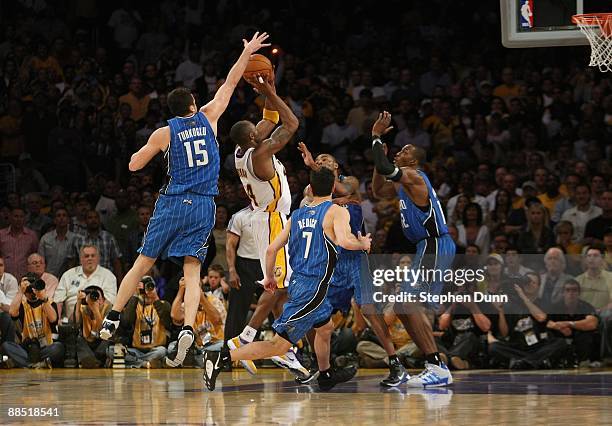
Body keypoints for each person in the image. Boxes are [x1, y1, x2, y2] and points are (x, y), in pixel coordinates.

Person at [100, 32, 271, 371]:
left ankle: (112, 317)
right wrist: (248, 51)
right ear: (193, 105)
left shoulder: (164, 132)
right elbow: (232, 80)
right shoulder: (209, 116)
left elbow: (134, 165)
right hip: (205, 206)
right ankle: (189, 327)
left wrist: (145, 152)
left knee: (143, 263)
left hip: (173, 202)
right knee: (192, 272)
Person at [203, 168, 371, 391]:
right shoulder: (336, 211)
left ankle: (325, 373)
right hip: (313, 288)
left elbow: (272, 249)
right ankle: (221, 358)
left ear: (310, 189)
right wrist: (363, 245)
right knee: (279, 345)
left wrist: (269, 277)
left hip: (299, 282)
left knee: (325, 327)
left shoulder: (297, 215)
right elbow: (344, 241)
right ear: (332, 188)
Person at [298, 143, 407, 386]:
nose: (322, 161)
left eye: (326, 159)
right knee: (313, 314)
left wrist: (315, 167)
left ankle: (395, 363)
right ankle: (319, 364)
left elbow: (346, 193)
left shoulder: (351, 182)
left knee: (369, 310)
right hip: (333, 260)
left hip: (356, 260)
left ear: (336, 166)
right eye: (319, 159)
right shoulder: (312, 188)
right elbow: (312, 203)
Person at [229, 69, 304, 376]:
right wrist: (270, 94)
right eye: (257, 130)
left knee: (282, 291)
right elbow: (291, 124)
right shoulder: (261, 153)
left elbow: (270, 119)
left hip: (264, 218)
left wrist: (268, 88)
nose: (261, 130)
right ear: (252, 137)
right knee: (274, 288)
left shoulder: (240, 149)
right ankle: (243, 340)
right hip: (272, 221)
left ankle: (284, 349)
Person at [371, 111, 454, 387]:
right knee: (404, 306)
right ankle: (434, 364)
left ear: (414, 160)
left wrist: (375, 136)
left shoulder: (414, 175)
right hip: (426, 246)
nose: (399, 151)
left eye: (405, 150)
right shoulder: (403, 181)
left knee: (406, 302)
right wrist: (377, 159)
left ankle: (437, 365)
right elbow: (377, 191)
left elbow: (388, 171)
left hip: (434, 244)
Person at [2, 274, 64, 368]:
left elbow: (53, 319)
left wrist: (43, 298)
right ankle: (38, 363)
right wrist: (20, 291)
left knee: (58, 347)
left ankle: (26, 363)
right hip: (28, 347)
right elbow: (12, 313)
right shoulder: (22, 305)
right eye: (28, 289)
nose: (30, 290)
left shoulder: (49, 302)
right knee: (7, 345)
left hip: (46, 347)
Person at [224, 205, 262, 343]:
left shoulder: (275, 213)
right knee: (236, 313)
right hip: (244, 266)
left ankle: (284, 352)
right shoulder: (239, 216)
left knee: (276, 309)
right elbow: (230, 245)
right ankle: (227, 354)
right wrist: (232, 270)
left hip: (268, 264)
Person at [169, 276, 226, 368]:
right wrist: (181, 291)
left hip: (215, 343)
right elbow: (175, 316)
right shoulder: (189, 304)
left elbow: (217, 320)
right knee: (171, 347)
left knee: (223, 347)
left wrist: (202, 298)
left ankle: (193, 361)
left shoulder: (214, 300)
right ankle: (201, 360)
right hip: (196, 347)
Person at [120, 276, 171, 368]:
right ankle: (146, 363)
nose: (148, 291)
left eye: (151, 287)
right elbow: (126, 322)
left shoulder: (163, 304)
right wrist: (135, 294)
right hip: (136, 350)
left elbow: (168, 323)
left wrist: (155, 298)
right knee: (114, 350)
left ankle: (136, 363)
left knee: (162, 351)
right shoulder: (134, 305)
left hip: (156, 349)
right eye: (145, 288)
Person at [547, 279, 599, 364]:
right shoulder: (554, 307)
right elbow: (546, 322)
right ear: (563, 293)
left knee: (589, 334)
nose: (571, 293)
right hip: (560, 336)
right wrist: (558, 327)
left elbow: (592, 323)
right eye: (567, 290)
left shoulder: (585, 306)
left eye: (574, 290)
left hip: (579, 335)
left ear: (579, 293)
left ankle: (584, 361)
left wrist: (569, 324)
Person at [75, 285, 112, 368]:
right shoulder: (83, 306)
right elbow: (76, 324)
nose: (96, 300)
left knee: (108, 339)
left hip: (101, 340)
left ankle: (94, 360)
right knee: (79, 339)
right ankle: (93, 361)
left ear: (103, 299)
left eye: (99, 298)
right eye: (93, 297)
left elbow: (105, 331)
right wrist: (78, 302)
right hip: (87, 340)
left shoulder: (108, 307)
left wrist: (96, 310)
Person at [0, 207, 39, 280]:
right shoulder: (1, 235)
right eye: (16, 216)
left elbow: (35, 256)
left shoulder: (32, 236)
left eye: (21, 217)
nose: (19, 219)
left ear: (25, 218)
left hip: (26, 278)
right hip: (4, 278)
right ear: (10, 217)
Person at [38, 208, 76, 278]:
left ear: (68, 220)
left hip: (69, 278)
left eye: (64, 215)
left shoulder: (75, 239)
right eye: (58, 216)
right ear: (54, 220)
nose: (61, 218)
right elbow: (40, 262)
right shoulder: (45, 239)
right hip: (48, 278)